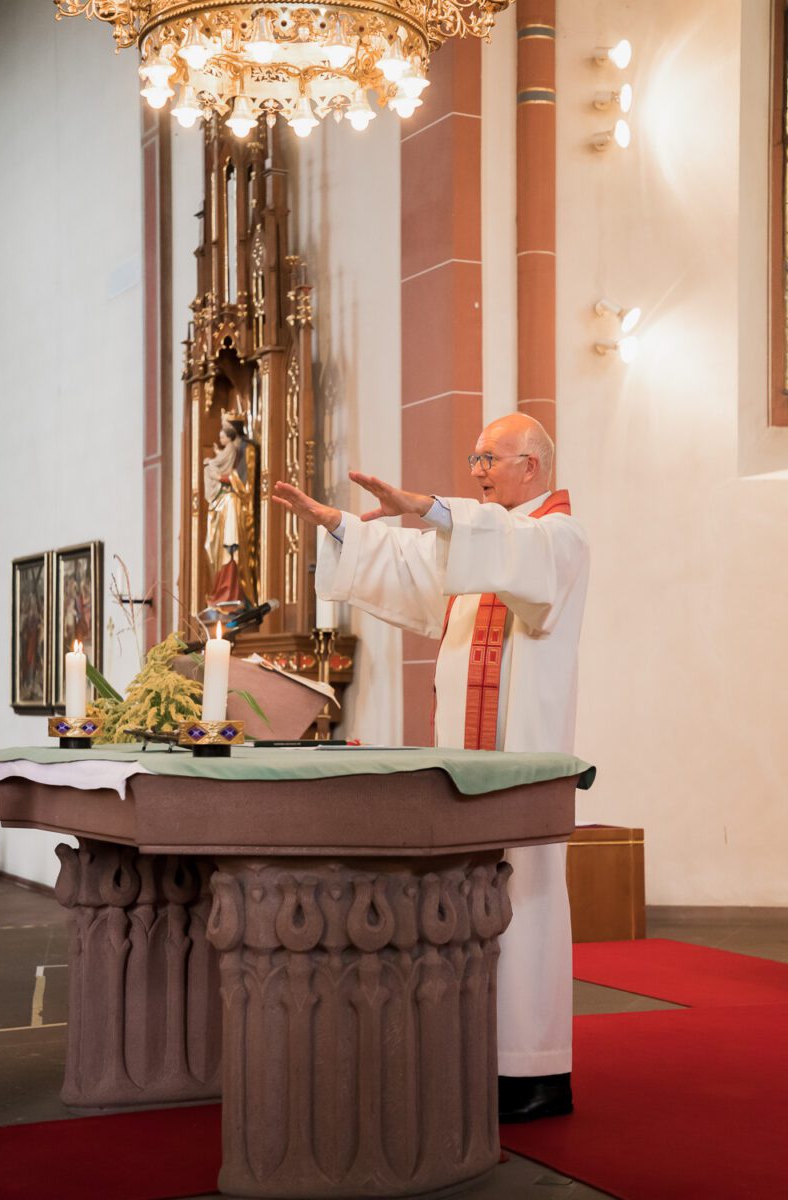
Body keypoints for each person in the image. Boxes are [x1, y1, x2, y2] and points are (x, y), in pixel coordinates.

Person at [273, 412, 589, 1123]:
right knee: (469, 895)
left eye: (490, 457)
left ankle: (535, 1072)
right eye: (473, 455)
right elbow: (417, 567)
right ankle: (474, 1055)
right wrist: (341, 528)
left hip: (523, 757)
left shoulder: (558, 537)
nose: (476, 467)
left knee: (527, 896)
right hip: (465, 758)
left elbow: (507, 550)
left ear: (531, 467)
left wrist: (431, 510)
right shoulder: (484, 541)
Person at [203, 417, 255, 606]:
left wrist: (220, 477)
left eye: (223, 433)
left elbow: (242, 481)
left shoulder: (246, 451)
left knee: (230, 549)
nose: (220, 437)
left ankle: (231, 593)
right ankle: (220, 593)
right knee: (212, 547)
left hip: (233, 506)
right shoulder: (232, 451)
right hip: (222, 506)